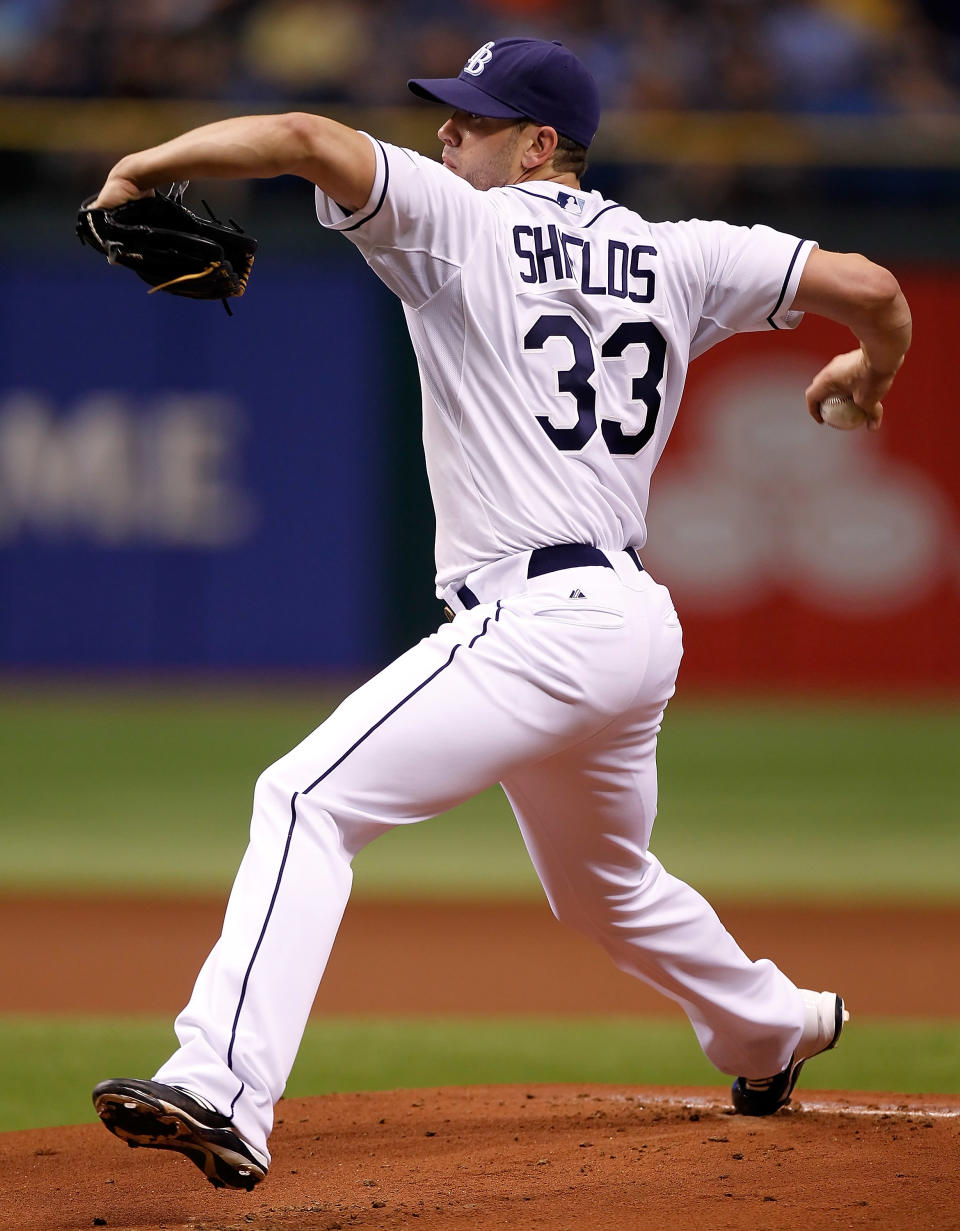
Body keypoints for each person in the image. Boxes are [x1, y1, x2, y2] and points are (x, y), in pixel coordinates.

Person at [89, 37, 912, 1191]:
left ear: (538, 146)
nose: (442, 134)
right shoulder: (683, 254)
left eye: (469, 122)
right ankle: (770, 1025)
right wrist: (865, 377)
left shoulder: (463, 222)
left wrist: (141, 162)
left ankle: (221, 1085)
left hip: (541, 618)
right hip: (632, 625)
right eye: (445, 118)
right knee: (603, 884)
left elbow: (305, 140)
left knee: (305, 800)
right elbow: (875, 290)